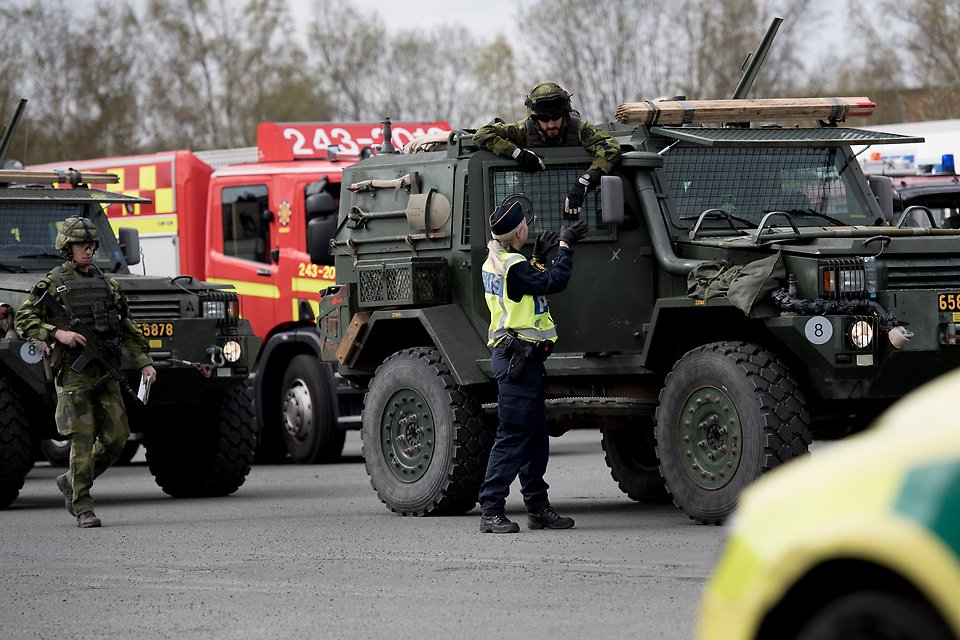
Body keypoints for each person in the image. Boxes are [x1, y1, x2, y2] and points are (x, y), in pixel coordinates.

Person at [15, 216, 156, 528]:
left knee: (118, 437)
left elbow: (128, 328)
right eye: (81, 245)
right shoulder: (53, 283)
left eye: (91, 245)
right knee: (81, 438)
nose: (88, 250)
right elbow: (23, 319)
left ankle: (71, 479)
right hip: (73, 372)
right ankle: (83, 506)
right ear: (68, 248)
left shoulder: (109, 284)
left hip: (106, 370)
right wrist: (56, 333)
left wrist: (144, 361)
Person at [478, 199, 588, 533]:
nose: (529, 226)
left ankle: (538, 508)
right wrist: (566, 247)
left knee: (535, 438)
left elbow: (524, 290)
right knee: (513, 437)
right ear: (519, 231)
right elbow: (552, 283)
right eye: (526, 223)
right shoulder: (513, 265)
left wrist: (538, 258)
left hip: (523, 360)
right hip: (517, 360)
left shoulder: (502, 260)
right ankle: (491, 510)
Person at [473, 81, 622, 218]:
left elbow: (611, 149)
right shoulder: (523, 131)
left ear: (565, 114)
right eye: (544, 119)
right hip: (534, 203)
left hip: (580, 203)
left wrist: (584, 182)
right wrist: (517, 153)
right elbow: (481, 135)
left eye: (556, 117)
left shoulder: (579, 129)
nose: (550, 125)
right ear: (534, 118)